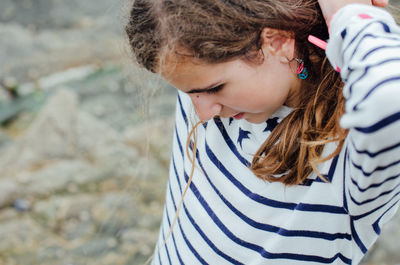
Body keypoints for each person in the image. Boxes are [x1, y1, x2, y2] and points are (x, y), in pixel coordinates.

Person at [125, 0, 399, 264]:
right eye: (188, 93)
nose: (203, 114)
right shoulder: (199, 64)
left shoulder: (348, 152)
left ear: (278, 41)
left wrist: (347, 12)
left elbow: (390, 97)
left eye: (214, 88)